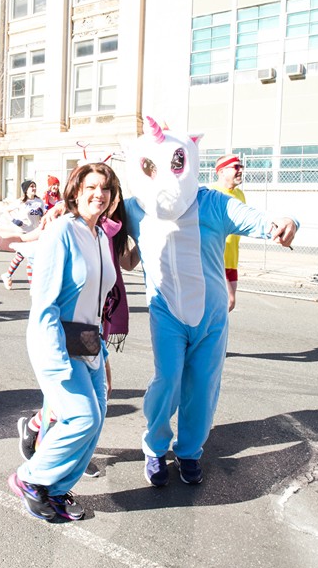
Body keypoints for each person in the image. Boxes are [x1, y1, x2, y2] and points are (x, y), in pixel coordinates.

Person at [125, 117, 297, 488]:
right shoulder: (134, 207)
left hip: (211, 315)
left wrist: (284, 221)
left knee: (202, 386)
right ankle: (155, 448)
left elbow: (257, 220)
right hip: (165, 311)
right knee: (167, 380)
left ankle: (189, 452)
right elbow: (101, 226)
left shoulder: (212, 203)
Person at [8, 162, 119, 521]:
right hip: (55, 340)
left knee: (96, 417)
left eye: (105, 188)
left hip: (88, 343)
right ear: (75, 191)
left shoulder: (101, 236)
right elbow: (44, 302)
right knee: (81, 417)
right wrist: (54, 357)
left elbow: (97, 304)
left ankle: (55, 489)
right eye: (91, 187)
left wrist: (102, 355)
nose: (98, 194)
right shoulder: (61, 232)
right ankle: (30, 479)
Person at [207, 154, 246, 311]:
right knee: (227, 301)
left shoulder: (239, 195)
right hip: (214, 259)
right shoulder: (210, 193)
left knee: (224, 307)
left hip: (232, 260)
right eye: (236, 167)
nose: (240, 171)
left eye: (241, 167)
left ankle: (212, 335)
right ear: (221, 171)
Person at [0, 180, 45, 290]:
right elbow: (6, 211)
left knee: (25, 256)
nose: (33, 188)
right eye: (31, 187)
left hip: (34, 232)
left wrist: (41, 213)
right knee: (27, 256)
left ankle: (7, 275)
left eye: (34, 186)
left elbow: (43, 216)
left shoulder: (39, 201)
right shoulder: (20, 202)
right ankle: (32, 285)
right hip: (23, 231)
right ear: (26, 190)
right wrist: (14, 220)